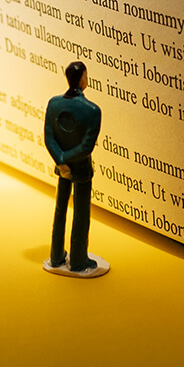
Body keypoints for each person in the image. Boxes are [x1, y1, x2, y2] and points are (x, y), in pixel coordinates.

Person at [43, 62, 109, 277]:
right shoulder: (92, 110)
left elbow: (49, 138)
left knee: (60, 210)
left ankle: (56, 256)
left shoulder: (53, 103)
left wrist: (61, 161)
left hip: (63, 169)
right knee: (81, 212)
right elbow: (86, 146)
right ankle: (78, 260)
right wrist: (67, 159)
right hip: (80, 169)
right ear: (83, 79)